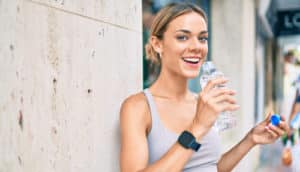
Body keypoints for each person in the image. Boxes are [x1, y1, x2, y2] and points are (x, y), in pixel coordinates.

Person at [119, 2, 288, 172]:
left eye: (202, 38)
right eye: (182, 37)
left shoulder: (201, 103)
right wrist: (197, 128)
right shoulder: (138, 107)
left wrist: (251, 139)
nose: (197, 47)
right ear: (157, 44)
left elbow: (211, 167)